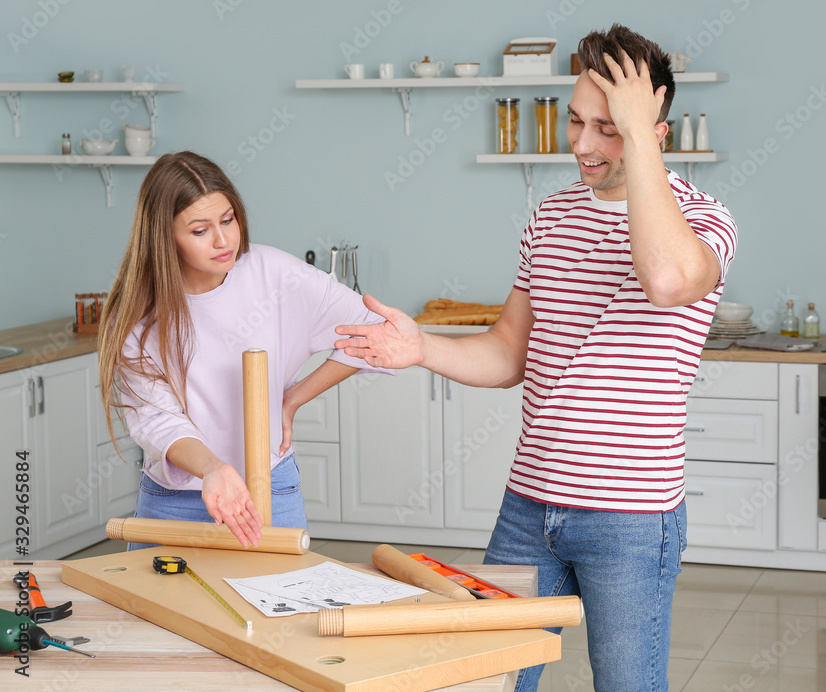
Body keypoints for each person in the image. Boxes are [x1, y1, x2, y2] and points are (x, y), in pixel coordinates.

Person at [335, 25, 737, 692]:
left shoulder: (704, 220)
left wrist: (638, 139)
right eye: (577, 121)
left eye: (608, 128)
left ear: (654, 131)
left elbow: (666, 282)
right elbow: (507, 351)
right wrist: (421, 349)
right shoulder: (549, 219)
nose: (580, 144)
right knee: (487, 680)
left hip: (630, 517)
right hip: (529, 507)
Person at [99, 151, 387, 550]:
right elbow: (157, 421)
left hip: (267, 487)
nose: (223, 241)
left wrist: (291, 399)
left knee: (281, 607)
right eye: (200, 231)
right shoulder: (137, 317)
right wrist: (214, 469)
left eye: (228, 220)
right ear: (164, 238)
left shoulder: (275, 274)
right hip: (174, 502)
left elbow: (375, 329)